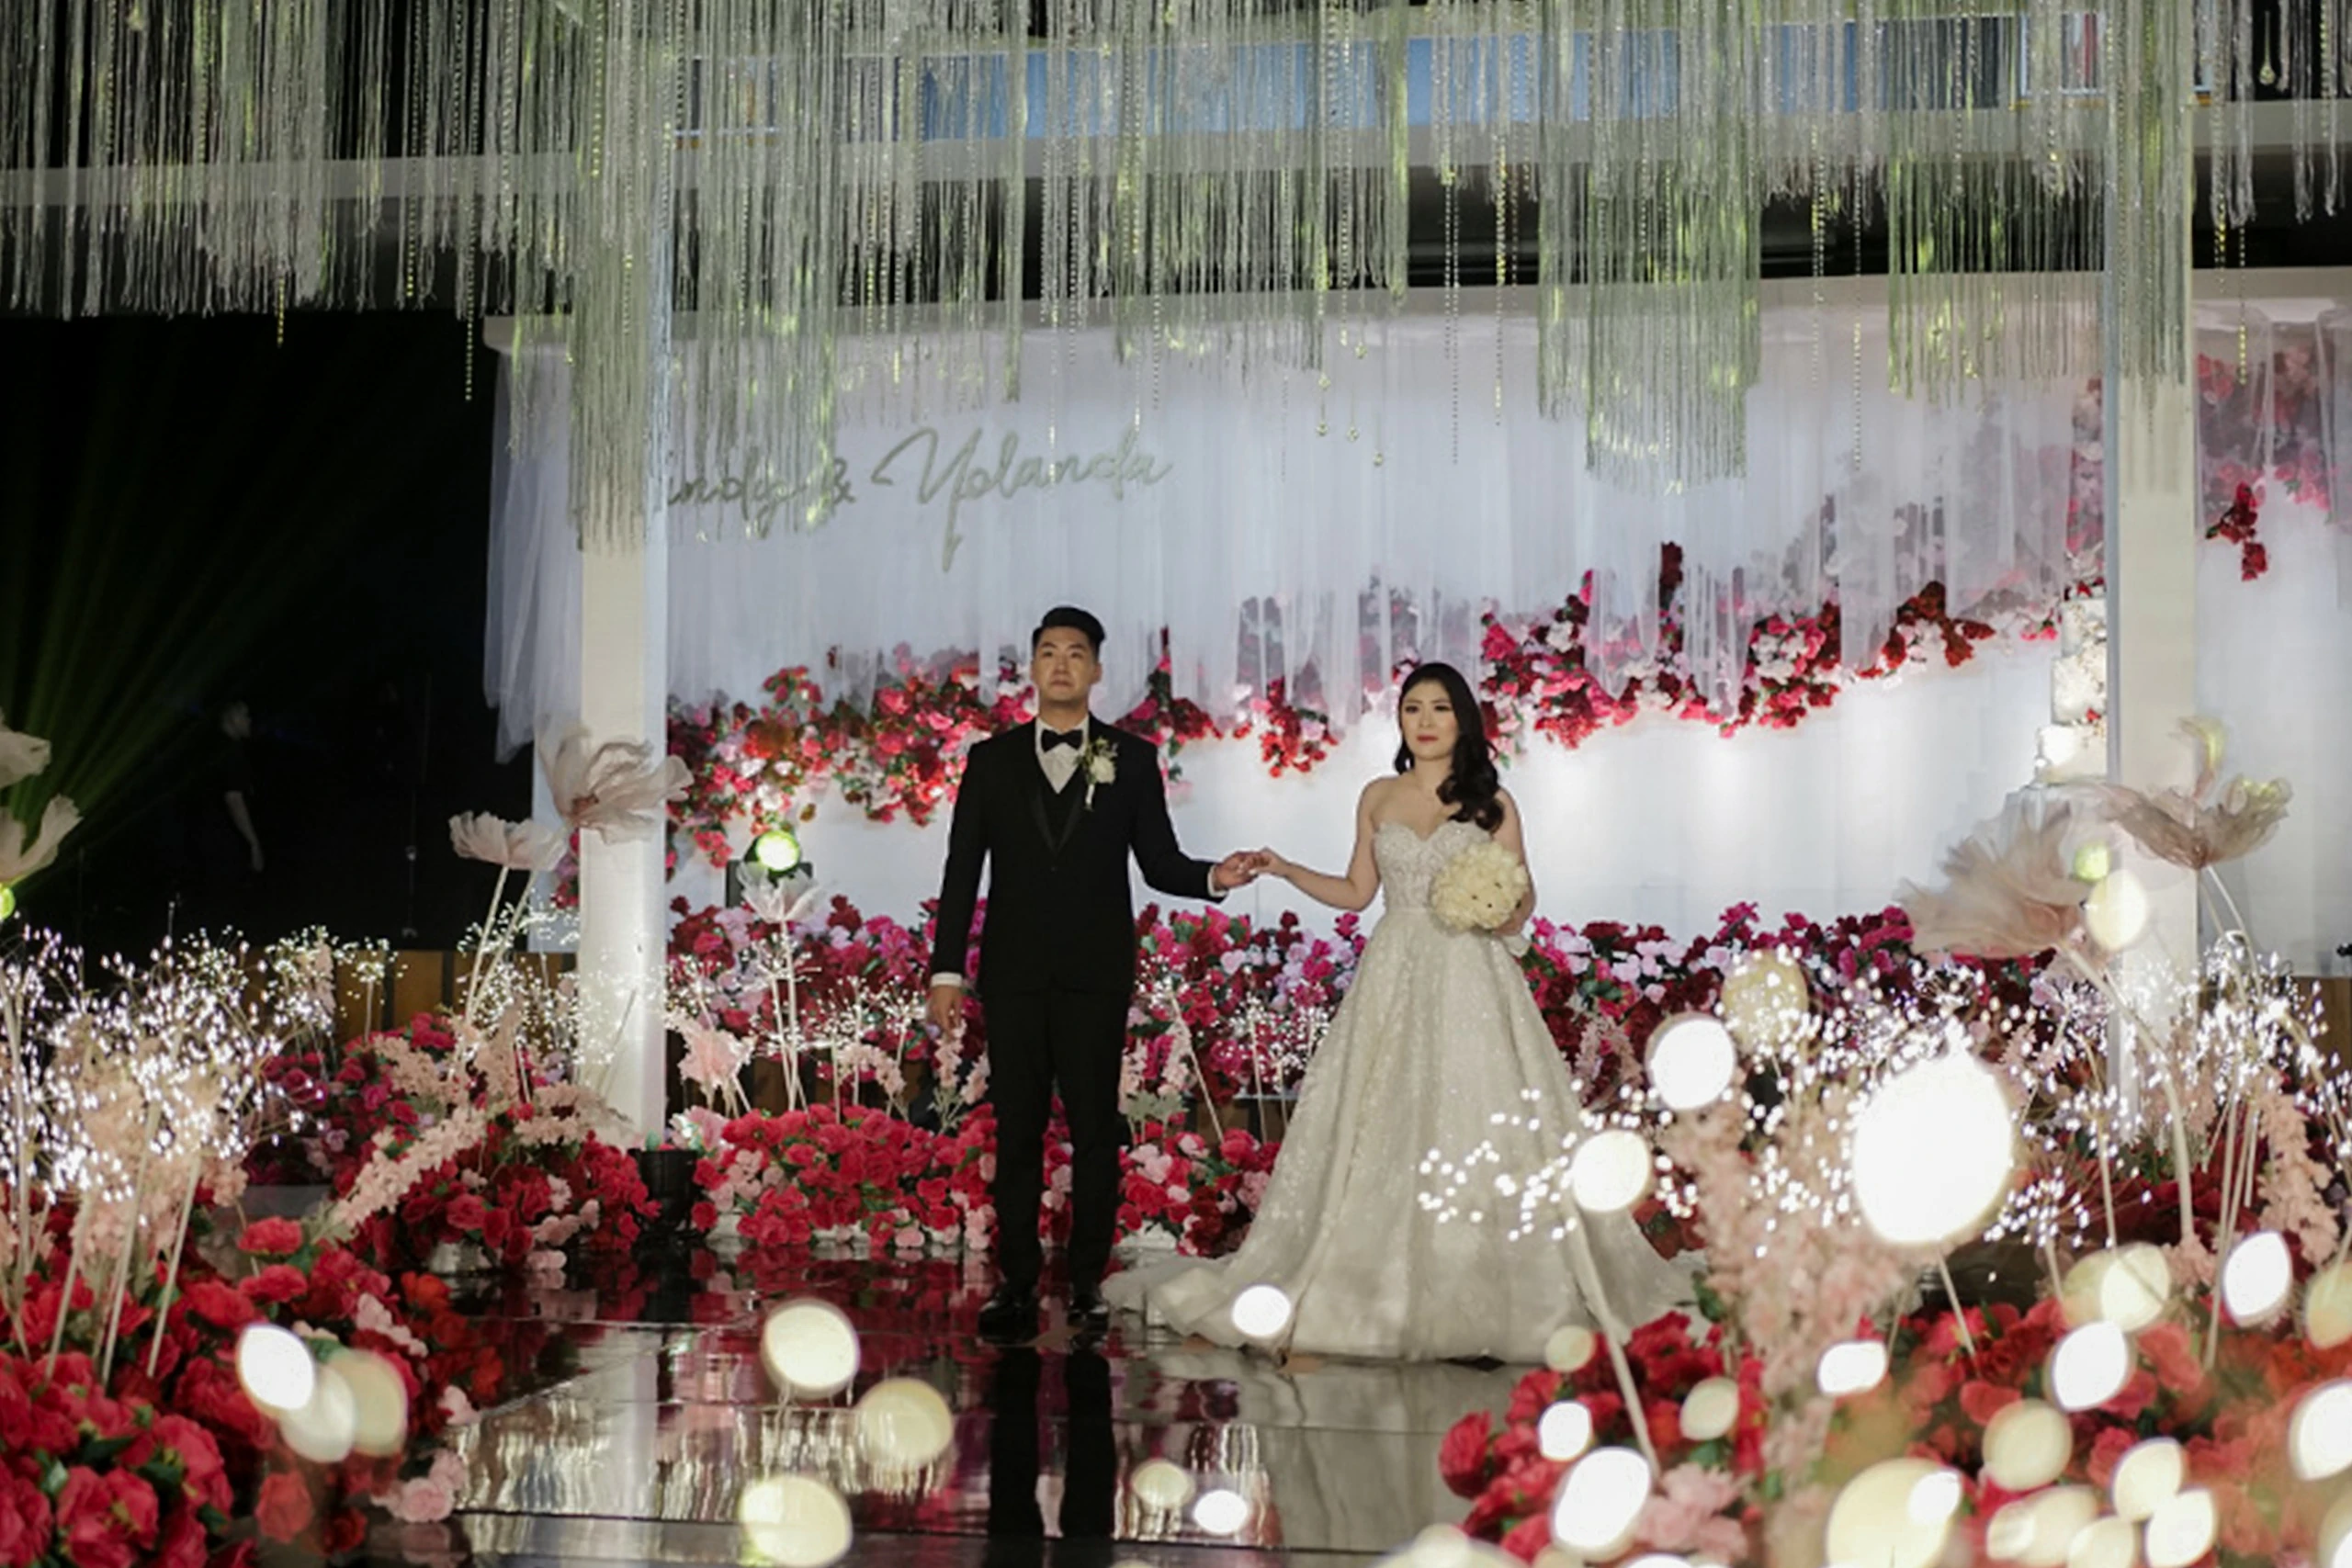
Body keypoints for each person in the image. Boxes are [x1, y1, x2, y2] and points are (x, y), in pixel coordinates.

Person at [1104, 662, 1695, 1361]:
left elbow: (1523, 895)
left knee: (1480, 1111)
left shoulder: (1492, 802)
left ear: (1462, 719)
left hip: (1471, 973)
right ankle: (1369, 1278)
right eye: (1413, 707)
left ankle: (1491, 1278)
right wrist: (1287, 868)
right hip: (1394, 969)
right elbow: (1358, 892)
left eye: (1440, 708)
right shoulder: (1378, 795)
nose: (1425, 720)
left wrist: (1496, 904)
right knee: (1380, 1111)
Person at [928, 606, 1262, 1342]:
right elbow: (962, 871)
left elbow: (1160, 862)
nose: (1060, 664)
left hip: (1095, 974)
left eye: (1075, 653)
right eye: (1048, 651)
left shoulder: (1132, 759)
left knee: (1094, 1132)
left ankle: (1087, 1282)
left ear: (1096, 669)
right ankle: (1016, 1283)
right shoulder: (991, 760)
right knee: (1016, 1131)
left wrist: (1216, 875)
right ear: (1032, 667)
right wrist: (947, 967)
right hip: (1013, 974)